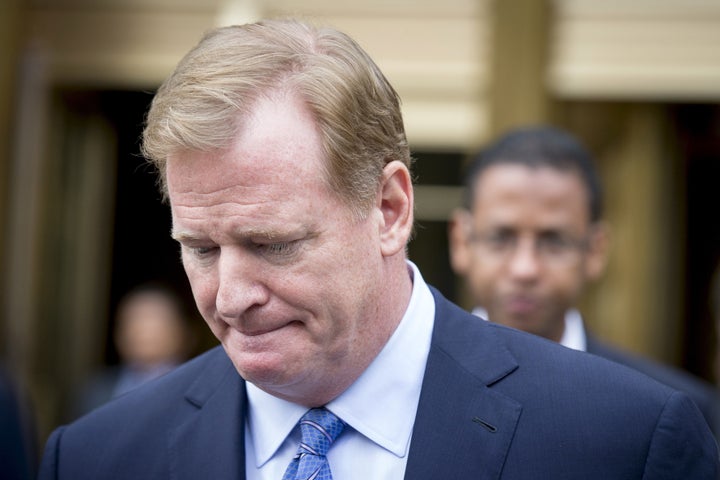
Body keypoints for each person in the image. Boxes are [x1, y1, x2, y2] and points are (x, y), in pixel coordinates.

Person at [39, 19, 718, 479]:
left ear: (390, 210)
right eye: (201, 249)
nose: (229, 297)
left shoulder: (623, 443)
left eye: (272, 244)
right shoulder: (97, 457)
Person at [448, 124, 720, 438]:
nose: (525, 269)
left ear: (595, 250)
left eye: (554, 241)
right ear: (461, 241)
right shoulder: (417, 386)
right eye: (501, 238)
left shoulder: (671, 412)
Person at [72, 283, 194, 417]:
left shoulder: (197, 390)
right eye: (134, 320)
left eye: (153, 319)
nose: (143, 331)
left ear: (184, 332)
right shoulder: (96, 391)